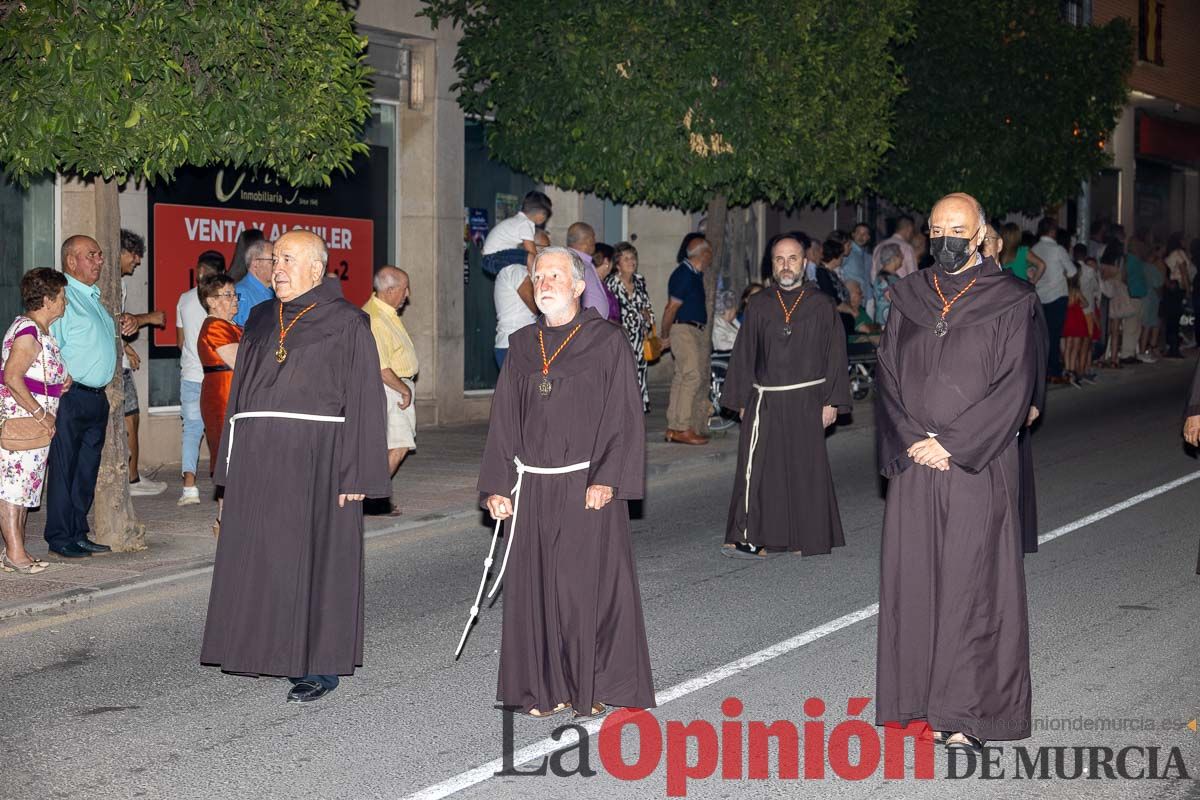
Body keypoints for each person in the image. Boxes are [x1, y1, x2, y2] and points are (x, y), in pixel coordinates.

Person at [875, 192, 1036, 753]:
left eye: (956, 230)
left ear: (979, 234)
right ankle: (920, 701)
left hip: (977, 464)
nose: (945, 239)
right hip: (917, 463)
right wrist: (912, 439)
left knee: (972, 587)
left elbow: (1015, 387)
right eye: (937, 228)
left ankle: (967, 712)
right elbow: (888, 374)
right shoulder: (909, 297)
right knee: (915, 582)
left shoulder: (1012, 300)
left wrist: (953, 444)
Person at [201, 230, 389, 704]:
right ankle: (262, 649)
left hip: (319, 457)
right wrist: (226, 477)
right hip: (257, 455)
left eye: (286, 259)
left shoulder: (349, 321)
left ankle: (317, 665)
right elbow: (239, 397)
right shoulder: (261, 317)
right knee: (264, 556)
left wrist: (359, 472)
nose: (276, 267)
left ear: (317, 268)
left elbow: (366, 399)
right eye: (273, 259)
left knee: (316, 559)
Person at [469, 246, 655, 719]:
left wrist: (607, 477)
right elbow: (504, 422)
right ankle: (541, 688)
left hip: (583, 485)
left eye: (556, 275)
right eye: (539, 275)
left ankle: (585, 684)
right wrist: (496, 485)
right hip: (531, 486)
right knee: (535, 590)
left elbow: (623, 416)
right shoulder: (522, 345)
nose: (546, 282)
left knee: (579, 590)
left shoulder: (606, 340)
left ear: (577, 286)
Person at [719, 234, 849, 558]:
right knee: (760, 470)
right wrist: (739, 400)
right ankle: (749, 537)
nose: (786, 265)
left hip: (808, 400)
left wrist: (831, 401)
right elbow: (746, 353)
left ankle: (804, 537)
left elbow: (835, 354)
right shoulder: (760, 304)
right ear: (772, 264)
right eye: (779, 259)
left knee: (804, 469)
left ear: (804, 263)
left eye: (792, 258)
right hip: (766, 400)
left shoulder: (821, 304)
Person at [45, 236, 116, 559]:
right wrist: (59, 374)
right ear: (71, 261)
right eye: (92, 255)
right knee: (65, 467)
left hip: (96, 398)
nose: (99, 261)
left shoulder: (92, 297)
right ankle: (59, 536)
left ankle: (78, 531)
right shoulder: (64, 297)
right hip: (70, 397)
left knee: (85, 469)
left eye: (100, 255)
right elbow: (47, 341)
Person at [0, 269, 69, 573]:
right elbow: (13, 377)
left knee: (25, 488)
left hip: (36, 422)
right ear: (47, 300)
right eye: (62, 296)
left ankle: (15, 550)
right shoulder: (28, 331)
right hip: (25, 420)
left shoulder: (39, 331)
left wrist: (59, 383)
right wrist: (41, 414)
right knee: (14, 489)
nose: (65, 302)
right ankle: (15, 554)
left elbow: (34, 375)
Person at [364, 266, 419, 516]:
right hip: (391, 389)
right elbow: (380, 366)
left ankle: (374, 495)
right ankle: (371, 498)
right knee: (398, 445)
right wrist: (403, 390)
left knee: (391, 446)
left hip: (396, 386)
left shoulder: (386, 313)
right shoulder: (376, 318)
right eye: (404, 289)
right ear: (390, 290)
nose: (407, 295)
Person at [116, 229, 167, 496]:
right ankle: (131, 481)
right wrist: (150, 317)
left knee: (131, 418)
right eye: (134, 256)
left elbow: (112, 323)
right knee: (128, 419)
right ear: (123, 252)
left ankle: (133, 477)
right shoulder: (111, 281)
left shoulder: (119, 282)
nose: (137, 262)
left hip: (120, 360)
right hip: (114, 368)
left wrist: (126, 347)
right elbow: (117, 319)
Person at [176, 250, 226, 505]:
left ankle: (189, 488)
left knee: (192, 430)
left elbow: (180, 341)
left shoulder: (184, 300)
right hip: (218, 377)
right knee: (222, 430)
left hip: (192, 375)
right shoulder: (224, 301)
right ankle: (226, 486)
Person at [662, 233, 713, 445]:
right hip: (683, 329)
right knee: (691, 376)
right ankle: (682, 428)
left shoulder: (694, 274)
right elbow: (671, 307)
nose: (711, 255)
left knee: (682, 377)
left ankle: (674, 427)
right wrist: (665, 335)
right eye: (709, 251)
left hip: (691, 330)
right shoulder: (684, 274)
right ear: (703, 253)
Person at [196, 274, 241, 477]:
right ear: (211, 301)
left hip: (232, 394)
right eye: (228, 295)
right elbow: (241, 362)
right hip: (224, 396)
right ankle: (228, 508)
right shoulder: (216, 326)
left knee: (236, 455)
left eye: (235, 294)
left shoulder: (231, 325)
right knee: (229, 455)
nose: (235, 299)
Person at [605, 242, 655, 412]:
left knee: (639, 373)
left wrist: (649, 317)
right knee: (621, 374)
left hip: (639, 337)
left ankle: (638, 408)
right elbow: (608, 310)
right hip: (620, 336)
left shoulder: (640, 281)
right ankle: (620, 409)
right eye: (626, 258)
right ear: (617, 263)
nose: (631, 261)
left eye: (633, 258)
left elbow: (648, 306)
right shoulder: (611, 283)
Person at [1031, 217, 1077, 382]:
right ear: (1052, 231)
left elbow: (1031, 272)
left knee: (1042, 336)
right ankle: (1054, 372)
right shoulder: (1058, 249)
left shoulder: (1034, 248)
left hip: (1040, 297)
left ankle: (1042, 370)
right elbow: (1072, 272)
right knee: (1054, 336)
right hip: (1057, 296)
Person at [493, 233, 544, 369]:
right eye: (545, 249)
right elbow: (536, 305)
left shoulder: (522, 271)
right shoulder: (516, 270)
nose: (547, 255)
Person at [480, 190, 552, 276]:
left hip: (491, 258)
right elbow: (531, 251)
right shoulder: (525, 224)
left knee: (525, 257)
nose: (545, 219)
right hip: (493, 259)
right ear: (541, 214)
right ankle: (536, 278)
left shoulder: (518, 221)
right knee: (529, 257)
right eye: (546, 216)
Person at [565, 222, 616, 319]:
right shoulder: (572, 261)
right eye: (593, 237)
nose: (595, 241)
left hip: (593, 325)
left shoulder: (584, 262)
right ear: (588, 240)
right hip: (584, 326)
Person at [231, 233, 274, 327]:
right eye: (272, 261)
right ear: (256, 264)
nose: (277, 266)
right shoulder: (241, 293)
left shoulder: (275, 292)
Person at [815, 239, 855, 335]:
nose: (842, 259)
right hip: (834, 322)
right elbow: (832, 299)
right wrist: (851, 310)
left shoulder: (830, 272)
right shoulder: (822, 273)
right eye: (841, 256)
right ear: (835, 257)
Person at [1161, 233, 1191, 359]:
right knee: (1175, 317)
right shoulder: (1179, 253)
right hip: (1178, 287)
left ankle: (1171, 345)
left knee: (1172, 317)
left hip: (1171, 288)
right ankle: (1174, 348)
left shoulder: (1170, 254)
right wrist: (1188, 289)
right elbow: (1183, 272)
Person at [871, 215, 917, 280]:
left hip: (880, 288)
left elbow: (873, 276)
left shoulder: (878, 247)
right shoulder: (907, 248)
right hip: (901, 288)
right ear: (910, 228)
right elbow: (914, 277)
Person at [845, 223, 874, 314]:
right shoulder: (848, 251)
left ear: (868, 237)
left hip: (865, 299)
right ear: (853, 234)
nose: (861, 236)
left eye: (865, 234)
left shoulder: (868, 257)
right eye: (859, 233)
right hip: (851, 299)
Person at [872, 243, 903, 325]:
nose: (902, 258)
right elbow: (891, 297)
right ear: (894, 258)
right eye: (900, 255)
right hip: (886, 322)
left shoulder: (887, 277)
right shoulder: (884, 278)